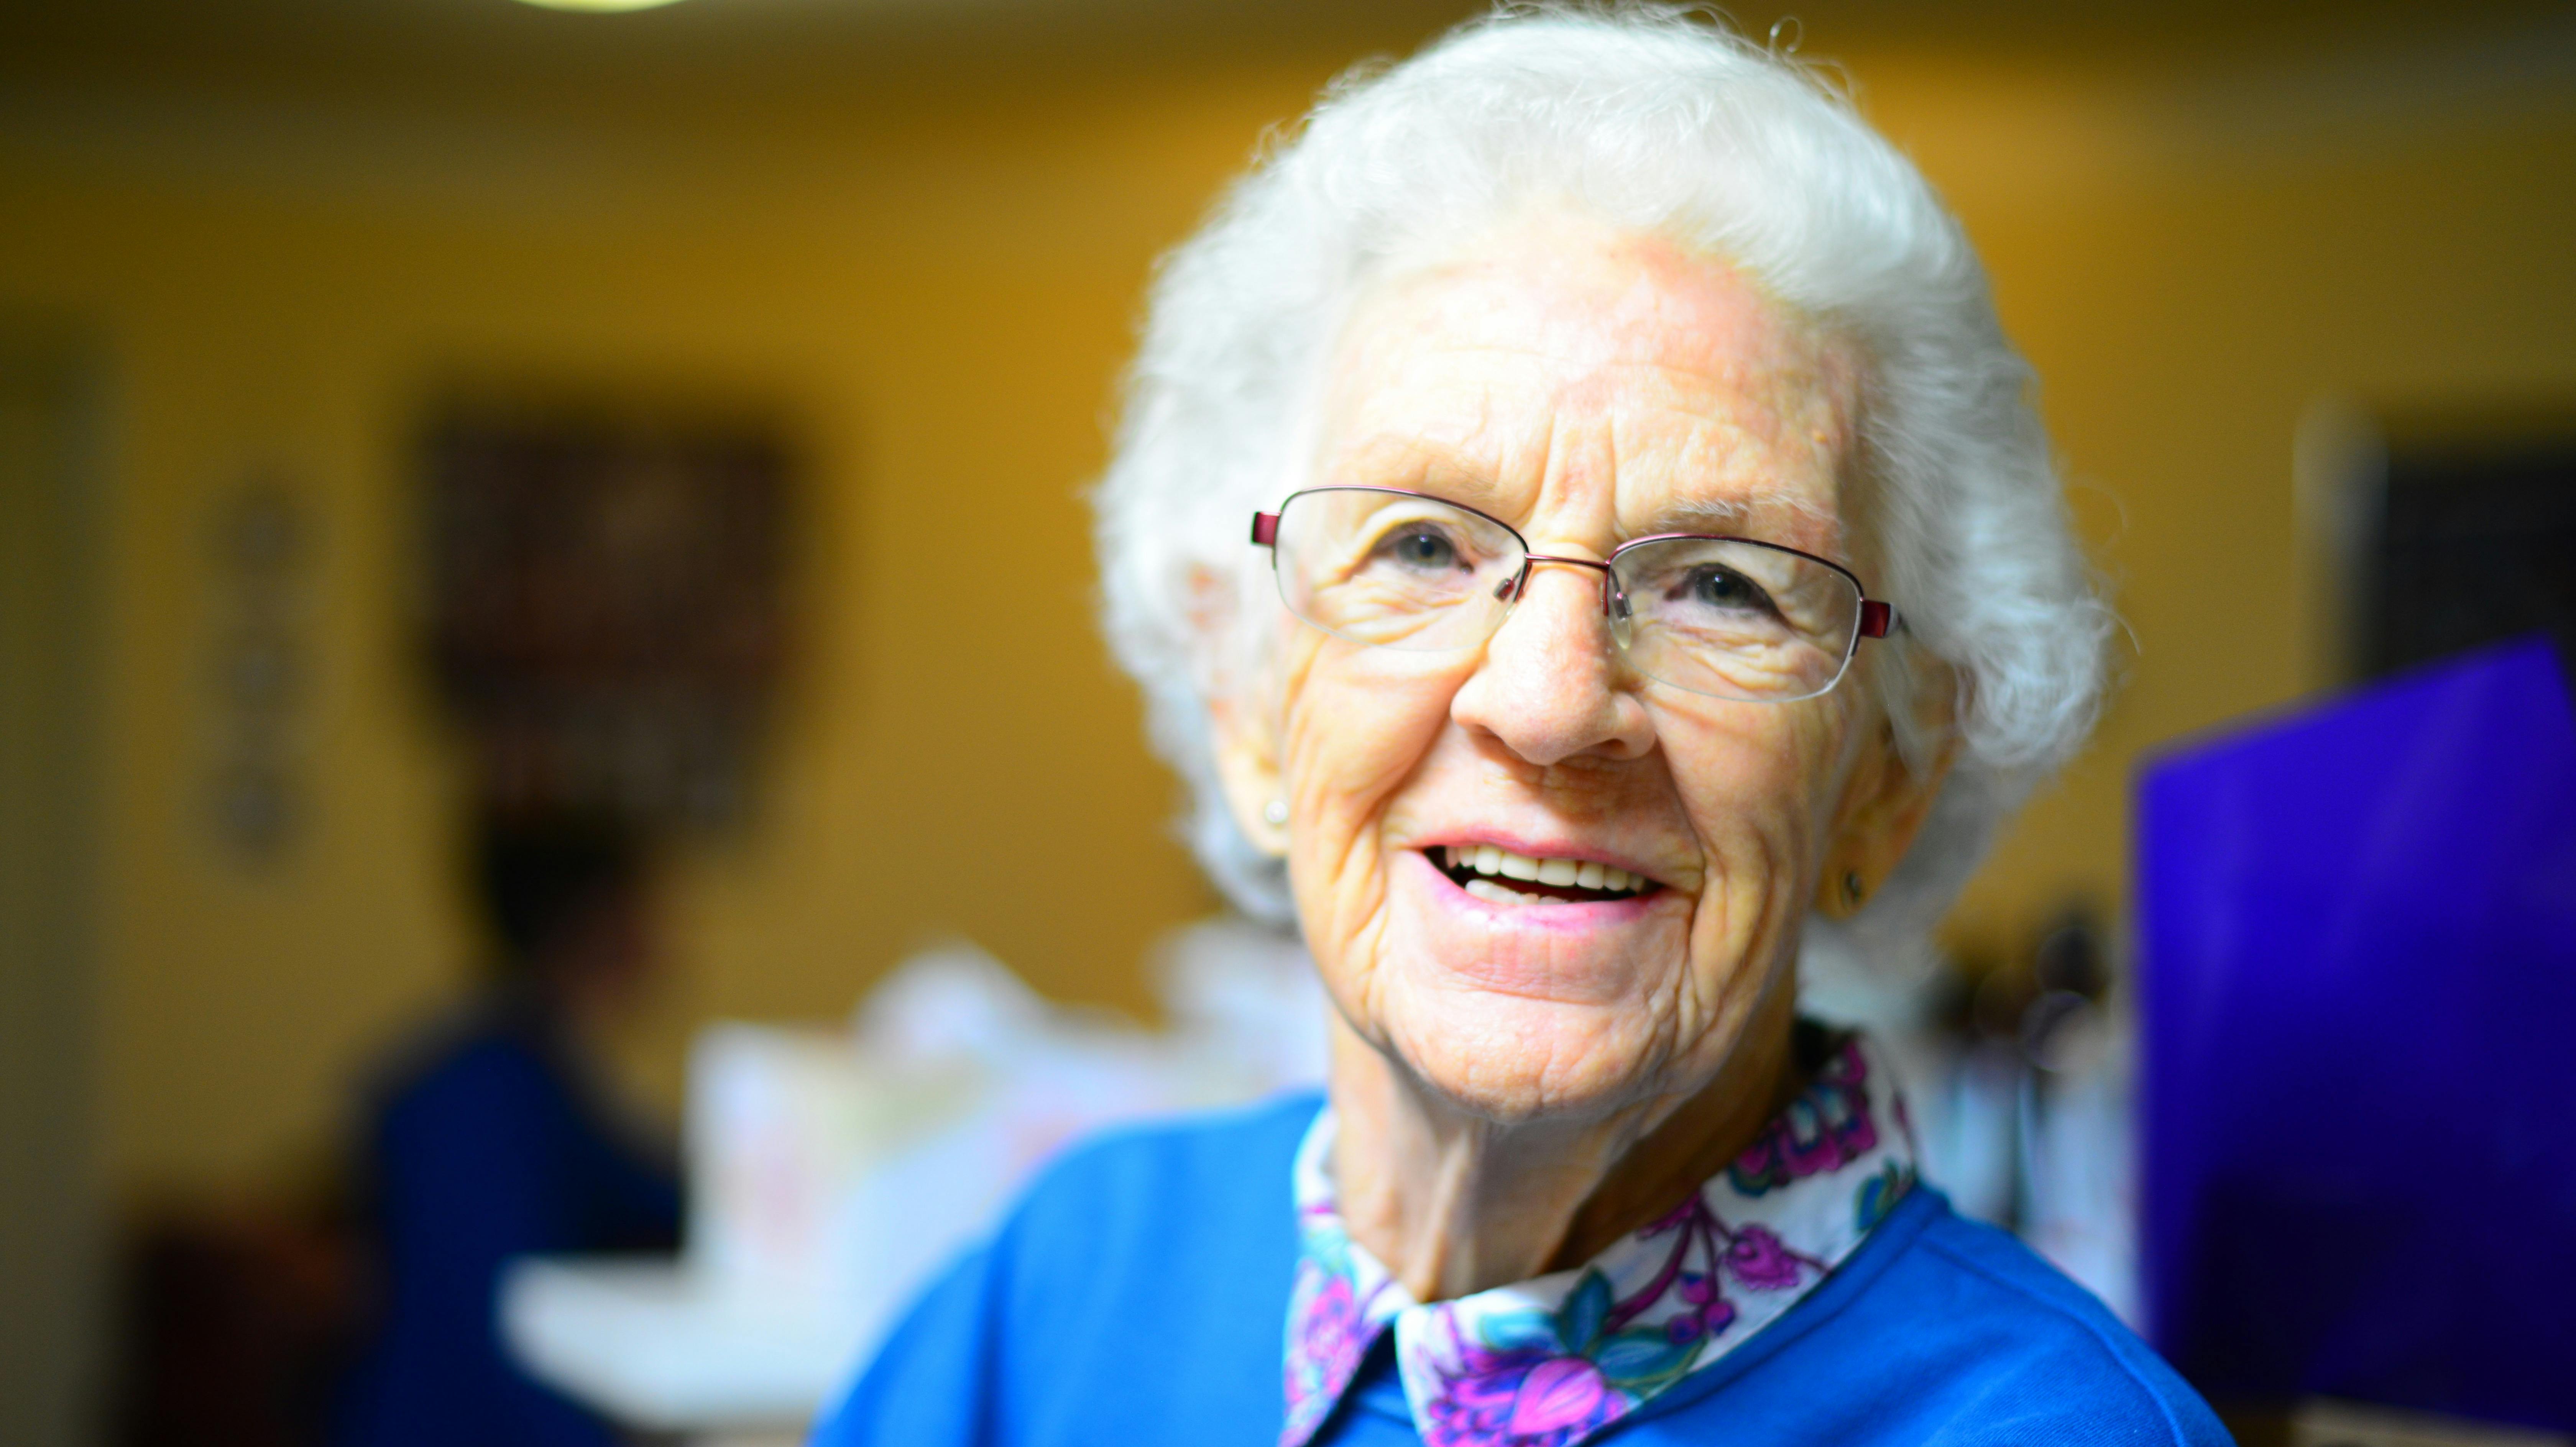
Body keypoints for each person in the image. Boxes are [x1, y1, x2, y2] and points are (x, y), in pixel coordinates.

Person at [816, 8, 2228, 1445]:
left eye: (1723, 585)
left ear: (1892, 770)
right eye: (1423, 547)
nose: (1549, 703)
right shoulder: (1078, 1278)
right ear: (1242, 695)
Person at [333, 814, 682, 1447]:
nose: (667, 942)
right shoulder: (482, 1096)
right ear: (593, 920)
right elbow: (496, 1330)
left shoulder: (537, 1073)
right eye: (645, 910)